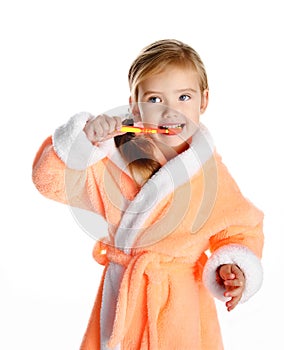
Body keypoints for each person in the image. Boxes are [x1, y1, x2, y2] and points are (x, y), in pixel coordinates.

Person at [32, 39, 264, 349]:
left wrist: (233, 267)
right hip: (123, 298)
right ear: (134, 105)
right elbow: (50, 182)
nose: (170, 110)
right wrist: (84, 142)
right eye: (155, 99)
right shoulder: (113, 157)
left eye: (184, 96)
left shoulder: (209, 173)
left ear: (203, 101)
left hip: (180, 304)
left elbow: (240, 228)